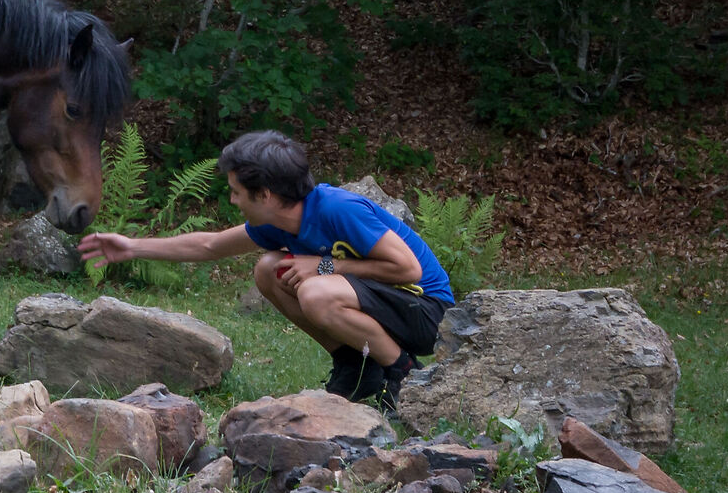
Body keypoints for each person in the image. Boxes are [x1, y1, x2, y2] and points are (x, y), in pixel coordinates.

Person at [76, 129, 451, 406]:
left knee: (316, 289)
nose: (233, 199)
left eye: (237, 191)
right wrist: (131, 247)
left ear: (266, 195)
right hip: (381, 305)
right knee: (269, 269)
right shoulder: (274, 222)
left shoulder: (338, 208)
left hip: (426, 312)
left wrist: (324, 266)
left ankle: (403, 373)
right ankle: (355, 363)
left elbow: (408, 270)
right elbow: (210, 245)